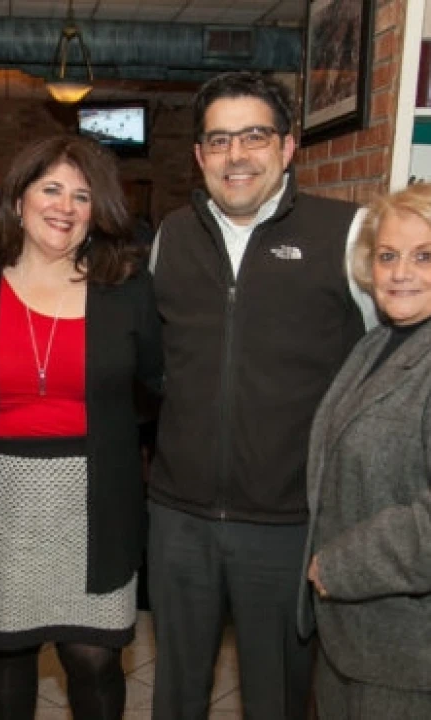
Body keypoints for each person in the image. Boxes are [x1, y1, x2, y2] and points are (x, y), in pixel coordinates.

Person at [147, 71, 378, 720]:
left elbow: (382, 369)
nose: (236, 155)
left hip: (287, 524)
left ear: (287, 146)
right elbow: (157, 363)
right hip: (179, 519)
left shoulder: (346, 233)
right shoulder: (171, 237)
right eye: (219, 140)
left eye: (254, 136)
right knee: (176, 695)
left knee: (276, 697)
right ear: (199, 155)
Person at [0, 134, 164, 719]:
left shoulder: (127, 291)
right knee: (9, 649)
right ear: (18, 199)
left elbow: (160, 385)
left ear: (96, 212)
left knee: (94, 657)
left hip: (96, 500)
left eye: (81, 195)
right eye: (51, 189)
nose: (65, 207)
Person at [299, 182, 431, 718]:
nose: (400, 273)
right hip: (358, 642)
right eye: (388, 256)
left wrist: (340, 567)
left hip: (420, 655)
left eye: (425, 256)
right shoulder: (379, 341)